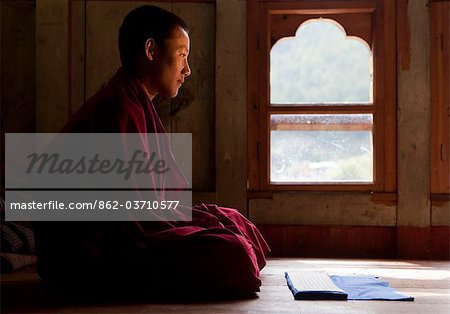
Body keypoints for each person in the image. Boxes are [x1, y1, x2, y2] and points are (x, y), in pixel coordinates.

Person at [34, 5, 270, 298]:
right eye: (182, 55)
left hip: (127, 229)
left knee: (233, 220)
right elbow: (125, 219)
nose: (187, 69)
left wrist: (195, 221)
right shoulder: (117, 108)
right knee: (232, 252)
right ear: (151, 50)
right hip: (89, 255)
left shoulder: (134, 100)